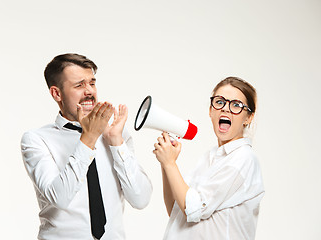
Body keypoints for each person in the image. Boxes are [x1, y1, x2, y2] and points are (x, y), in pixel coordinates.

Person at [21, 53, 152, 240]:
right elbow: (59, 197)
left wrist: (116, 142)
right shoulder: (36, 140)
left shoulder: (116, 135)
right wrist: (88, 138)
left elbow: (141, 199)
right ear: (56, 93)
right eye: (79, 85)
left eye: (92, 83)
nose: (89, 91)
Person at [153, 77, 264, 239]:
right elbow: (175, 210)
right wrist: (166, 163)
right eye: (219, 102)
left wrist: (170, 164)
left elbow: (192, 209)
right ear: (211, 111)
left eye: (236, 105)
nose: (226, 109)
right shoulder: (209, 158)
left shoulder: (243, 159)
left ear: (248, 117)